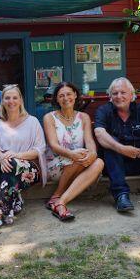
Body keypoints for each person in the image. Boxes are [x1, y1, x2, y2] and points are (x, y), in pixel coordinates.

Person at [0, 85, 46, 234]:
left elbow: (39, 149)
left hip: (30, 168)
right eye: (7, 98)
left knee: (13, 164)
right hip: (7, 164)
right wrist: (1, 156)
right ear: (2, 101)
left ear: (21, 100)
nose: (11, 101)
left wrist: (16, 155)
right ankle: (14, 199)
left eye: (15, 97)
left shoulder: (32, 121)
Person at [94, 77, 140, 211]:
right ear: (110, 96)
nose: (119, 96)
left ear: (131, 95)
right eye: (115, 93)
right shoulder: (104, 110)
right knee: (110, 142)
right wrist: (121, 149)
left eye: (123, 92)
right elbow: (99, 133)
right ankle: (121, 195)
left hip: (137, 162)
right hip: (112, 166)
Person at [43, 82, 104, 221]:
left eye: (69, 94)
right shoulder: (49, 117)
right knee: (80, 155)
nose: (66, 98)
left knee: (99, 162)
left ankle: (59, 201)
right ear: (57, 99)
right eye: (61, 96)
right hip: (56, 164)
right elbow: (53, 145)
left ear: (75, 95)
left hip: (78, 161)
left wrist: (93, 153)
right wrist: (72, 154)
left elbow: (89, 141)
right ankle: (58, 195)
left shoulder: (84, 117)